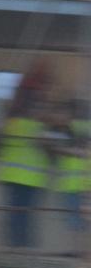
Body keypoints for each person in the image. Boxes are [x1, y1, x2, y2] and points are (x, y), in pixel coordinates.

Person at [0, 95, 49, 249]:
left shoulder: (10, 124)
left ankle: (11, 245)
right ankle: (22, 246)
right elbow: (47, 146)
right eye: (40, 108)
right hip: (29, 179)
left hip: (10, 176)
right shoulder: (36, 127)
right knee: (24, 215)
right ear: (32, 110)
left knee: (13, 214)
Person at [52, 100, 89, 257]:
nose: (60, 117)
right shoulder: (68, 129)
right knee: (76, 219)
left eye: (63, 113)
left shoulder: (77, 128)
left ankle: (80, 251)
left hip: (79, 183)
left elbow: (81, 151)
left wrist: (66, 150)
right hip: (73, 183)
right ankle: (79, 250)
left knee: (81, 219)